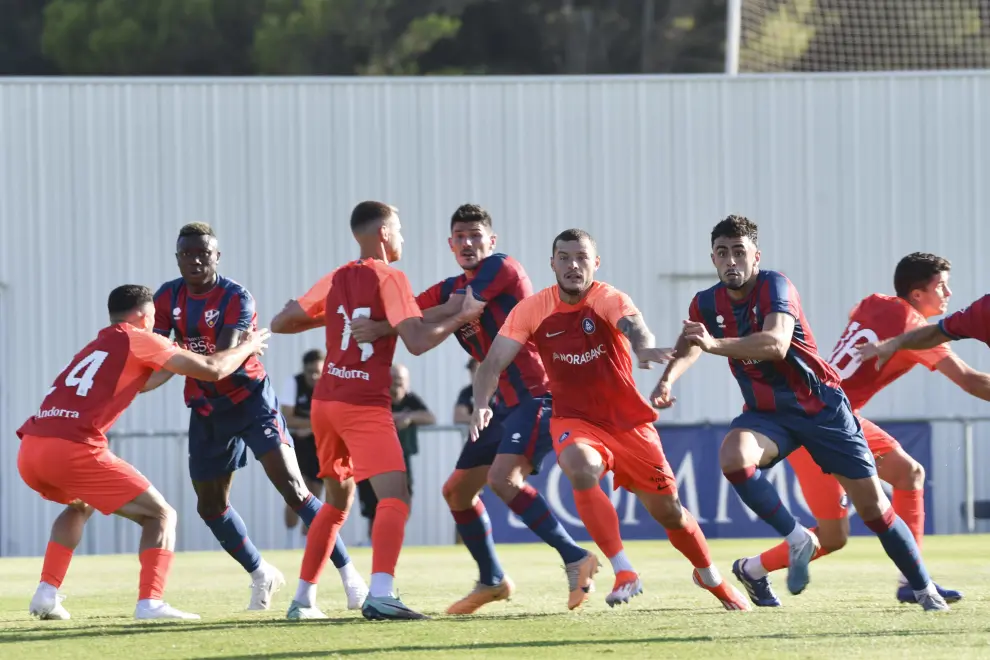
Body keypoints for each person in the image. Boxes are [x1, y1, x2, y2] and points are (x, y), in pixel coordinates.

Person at [652, 215, 948, 611]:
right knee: (733, 458)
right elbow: (693, 342)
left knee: (875, 510)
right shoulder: (705, 302)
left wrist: (713, 344)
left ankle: (923, 588)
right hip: (767, 414)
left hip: (821, 408)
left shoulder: (776, 284)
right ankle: (795, 538)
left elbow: (775, 344)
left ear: (756, 256)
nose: (731, 260)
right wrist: (669, 378)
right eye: (723, 253)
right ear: (713, 258)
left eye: (740, 251)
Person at [470, 228, 751, 611]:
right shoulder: (532, 308)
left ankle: (710, 577)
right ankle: (623, 570)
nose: (573, 265)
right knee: (579, 465)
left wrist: (644, 347)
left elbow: (633, 326)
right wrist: (481, 403)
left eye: (581, 257)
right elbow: (491, 364)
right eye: (564, 257)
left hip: (627, 423)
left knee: (670, 513)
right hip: (573, 418)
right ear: (552, 263)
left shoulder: (607, 296)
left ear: (595, 263)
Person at [352, 205, 598, 614]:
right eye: (460, 237)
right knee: (457, 492)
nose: (468, 243)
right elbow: (410, 314)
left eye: (475, 235)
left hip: (539, 395)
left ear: (491, 241)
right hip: (501, 405)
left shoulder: (503, 268)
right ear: (451, 244)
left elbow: (444, 310)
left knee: (504, 479)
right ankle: (492, 579)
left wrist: (383, 326)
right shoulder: (450, 285)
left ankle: (575, 556)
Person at [269, 200, 485, 621]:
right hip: (361, 403)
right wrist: (463, 316)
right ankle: (382, 593)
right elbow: (418, 341)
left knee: (335, 503)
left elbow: (281, 322)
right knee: (396, 496)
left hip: (325, 404)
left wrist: (335, 318)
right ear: (384, 233)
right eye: (400, 230)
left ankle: (303, 600)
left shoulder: (338, 277)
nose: (403, 238)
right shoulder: (390, 276)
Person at [736, 253, 988, 606]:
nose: (948, 292)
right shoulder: (915, 329)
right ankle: (751, 570)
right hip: (821, 425)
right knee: (833, 536)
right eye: (941, 285)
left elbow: (856, 313)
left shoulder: (876, 301)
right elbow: (972, 382)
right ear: (917, 294)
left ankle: (912, 580)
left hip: (835, 413)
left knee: (909, 473)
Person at [20, 284, 269, 621]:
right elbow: (213, 369)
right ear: (143, 314)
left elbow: (142, 382)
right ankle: (150, 603)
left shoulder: (100, 343)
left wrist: (173, 356)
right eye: (153, 316)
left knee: (80, 505)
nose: (155, 323)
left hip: (33, 446)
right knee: (161, 515)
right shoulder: (138, 336)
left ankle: (47, 593)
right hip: (72, 447)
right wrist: (249, 345)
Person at [153, 222, 366, 612]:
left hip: (250, 401)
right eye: (187, 253)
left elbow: (219, 362)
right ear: (177, 257)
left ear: (217, 256)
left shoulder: (236, 297)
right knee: (210, 507)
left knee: (295, 489)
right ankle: (260, 573)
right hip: (206, 408)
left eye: (204, 253)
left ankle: (351, 577)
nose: (195, 260)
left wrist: (181, 356)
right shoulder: (167, 296)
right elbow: (160, 353)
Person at [356, 364, 436, 537]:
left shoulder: (410, 400)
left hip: (401, 459)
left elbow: (430, 417)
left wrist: (409, 417)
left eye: (401, 382)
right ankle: (374, 543)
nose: (397, 386)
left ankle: (392, 539)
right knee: (374, 506)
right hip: (373, 461)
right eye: (394, 382)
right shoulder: (376, 398)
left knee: (402, 501)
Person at [281, 349, 327, 535]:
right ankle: (290, 540)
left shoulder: (330, 385)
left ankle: (306, 540)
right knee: (296, 492)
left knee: (315, 493)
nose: (314, 377)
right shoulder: (294, 383)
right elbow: (287, 417)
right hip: (298, 445)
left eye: (318, 372)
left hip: (320, 446)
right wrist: (315, 425)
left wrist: (312, 427)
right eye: (310, 372)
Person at [453, 359, 478, 424]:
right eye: (472, 370)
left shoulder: (499, 391)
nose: (474, 374)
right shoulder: (467, 393)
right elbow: (458, 417)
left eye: (477, 369)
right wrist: (482, 419)